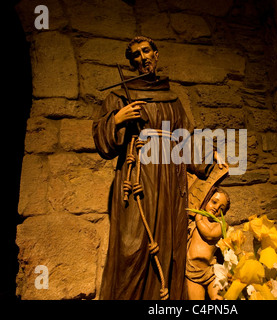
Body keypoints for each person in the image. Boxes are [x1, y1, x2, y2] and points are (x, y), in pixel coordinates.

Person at [92, 36, 216, 300]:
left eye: (146, 51)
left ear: (156, 55)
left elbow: (185, 138)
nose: (142, 57)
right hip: (137, 176)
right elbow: (103, 143)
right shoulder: (119, 96)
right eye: (136, 54)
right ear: (132, 62)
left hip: (170, 179)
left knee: (168, 243)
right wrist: (117, 118)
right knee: (132, 246)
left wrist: (208, 160)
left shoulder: (172, 99)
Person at [186, 187, 230, 300]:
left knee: (218, 297)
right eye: (214, 202)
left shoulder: (221, 225)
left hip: (211, 271)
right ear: (206, 200)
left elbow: (209, 234)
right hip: (192, 272)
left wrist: (199, 219)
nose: (216, 208)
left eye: (221, 208)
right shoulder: (193, 221)